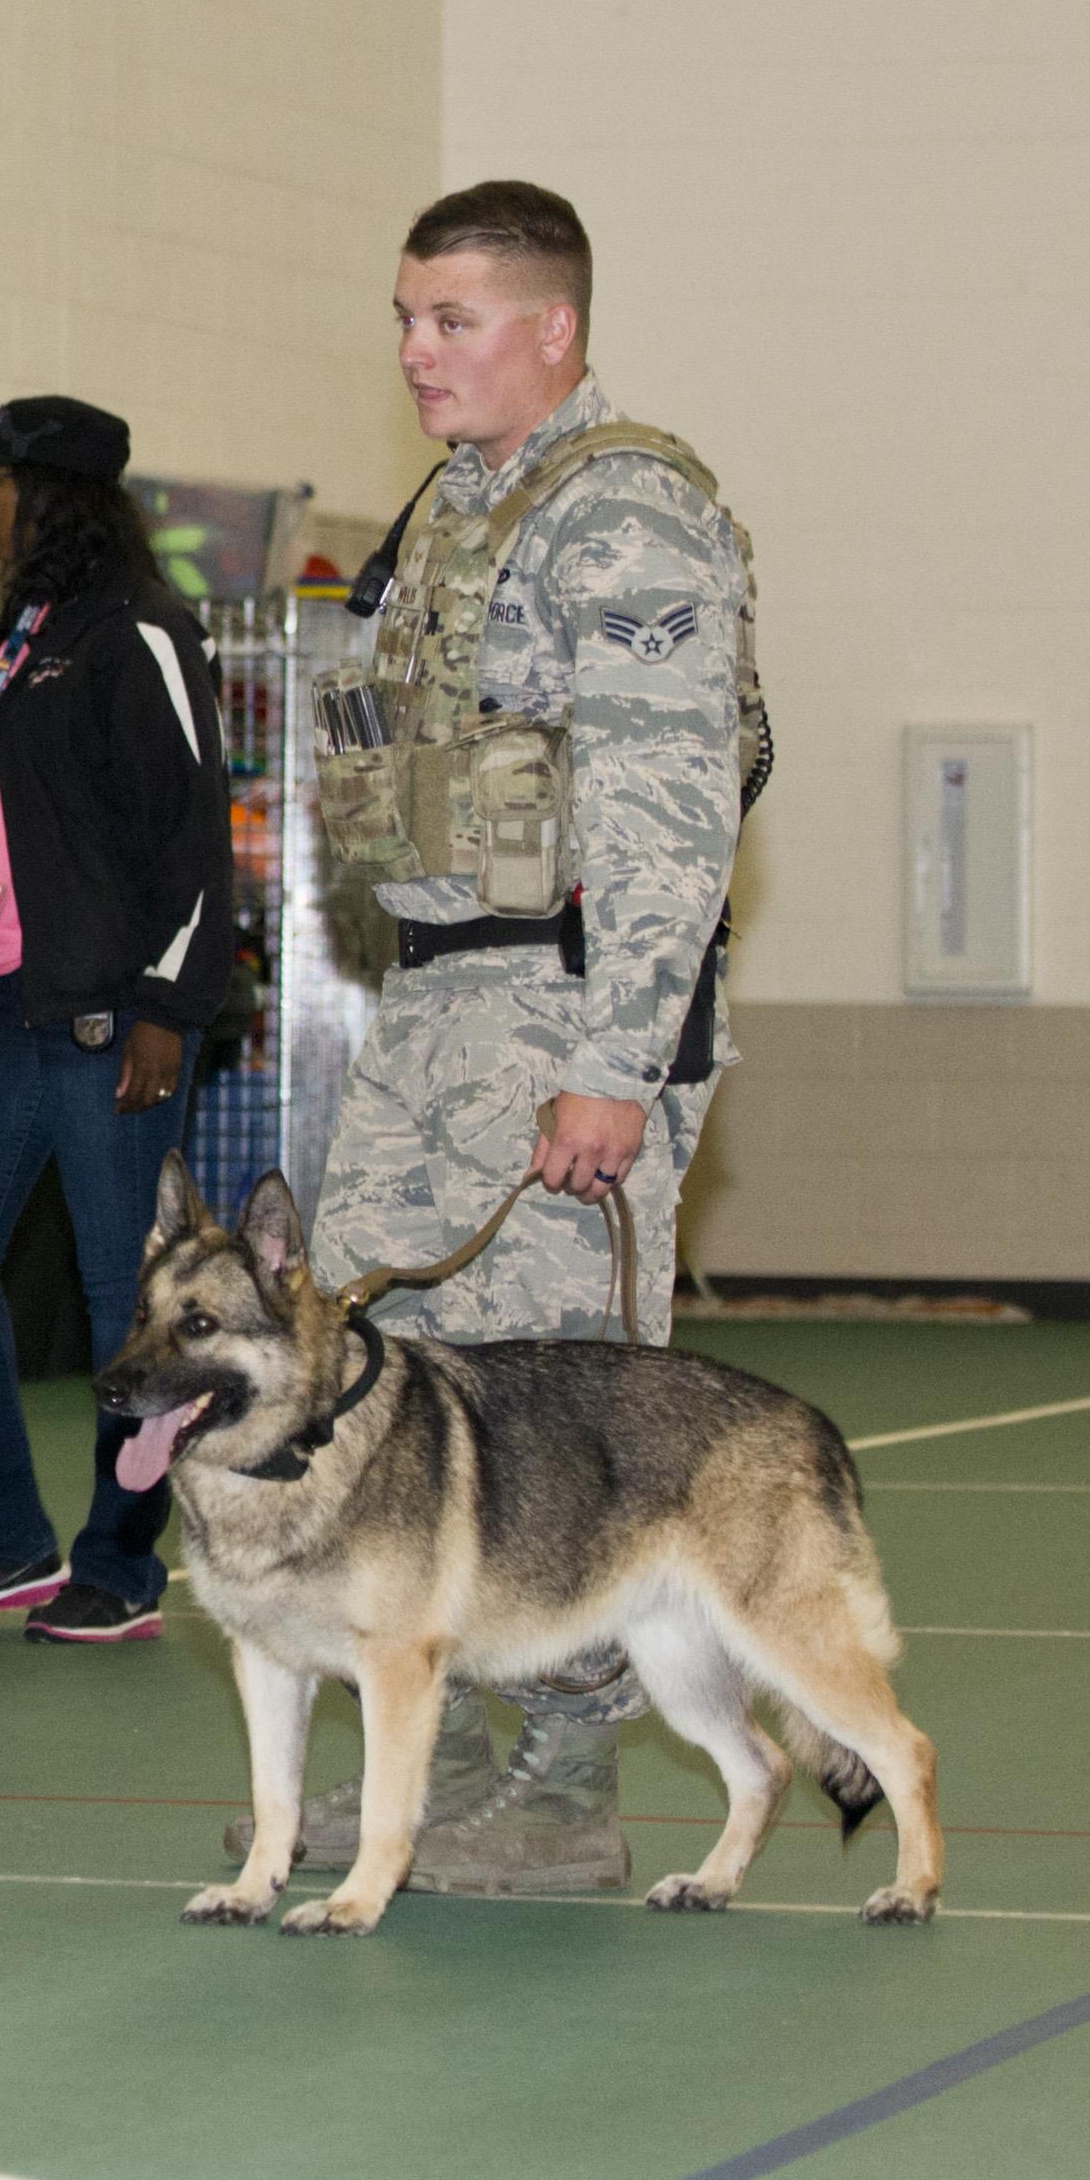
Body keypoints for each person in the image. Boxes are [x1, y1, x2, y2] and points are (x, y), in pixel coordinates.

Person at [268, 179, 764, 1892]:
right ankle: (449, 1757)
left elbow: (663, 816)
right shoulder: (455, 509)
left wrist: (611, 1063)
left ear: (549, 326)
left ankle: (566, 1786)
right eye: (403, 316)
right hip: (432, 1005)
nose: (412, 349)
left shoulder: (621, 514)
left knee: (556, 1414)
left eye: (449, 319)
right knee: (374, 1377)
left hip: (560, 1002)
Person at [0, 391, 234, 1647]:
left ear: (53, 493)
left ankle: (120, 1560)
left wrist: (163, 1008)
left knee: (118, 1298)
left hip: (106, 1022)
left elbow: (196, 836)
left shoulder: (142, 630)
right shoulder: (18, 631)